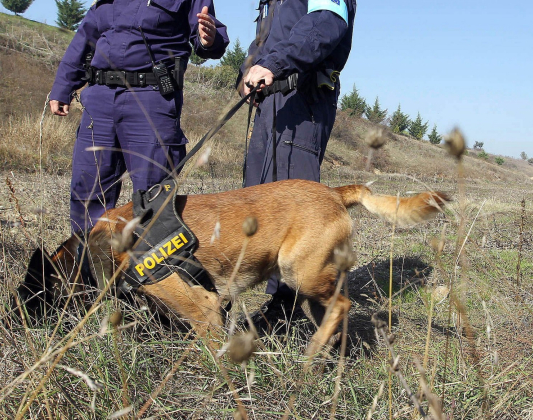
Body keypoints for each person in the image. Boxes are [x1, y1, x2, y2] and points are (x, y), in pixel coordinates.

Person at [49, 0, 229, 233]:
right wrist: (63, 86)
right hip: (100, 100)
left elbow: (208, 37)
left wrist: (210, 40)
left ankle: (152, 267)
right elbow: (85, 38)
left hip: (151, 98)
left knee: (152, 197)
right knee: (87, 193)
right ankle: (90, 265)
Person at [237, 0, 357, 311]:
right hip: (271, 105)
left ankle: (297, 307)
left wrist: (274, 65)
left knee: (297, 209)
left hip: (303, 101)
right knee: (261, 203)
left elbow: (324, 23)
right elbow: (262, 42)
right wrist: (246, 74)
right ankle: (278, 300)